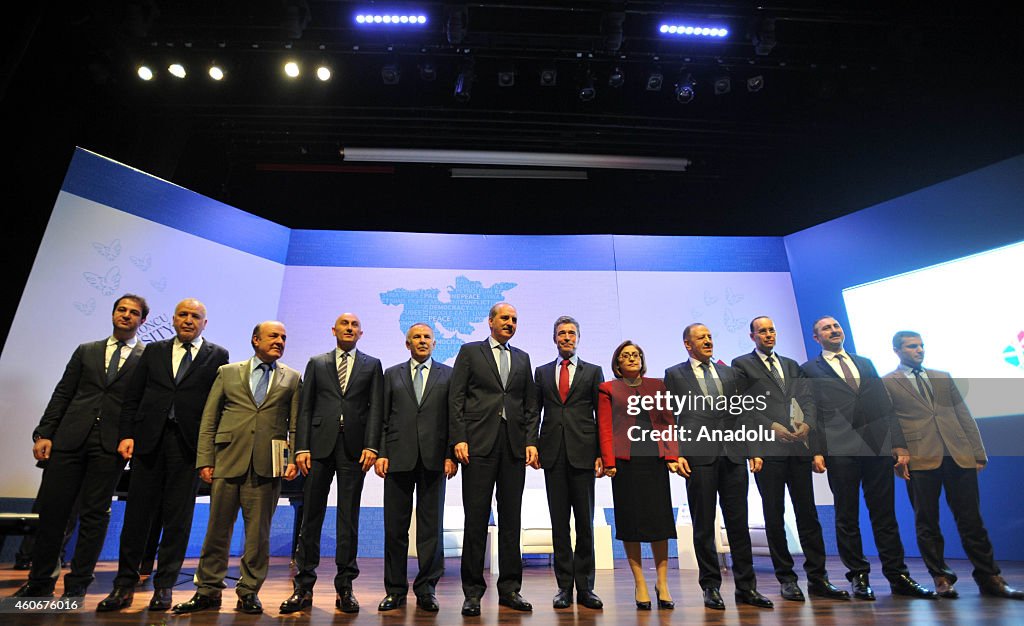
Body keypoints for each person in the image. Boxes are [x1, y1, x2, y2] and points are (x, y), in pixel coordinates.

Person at [96, 298, 229, 612]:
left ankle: (165, 586)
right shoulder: (153, 351)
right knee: (137, 517)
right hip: (148, 443)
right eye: (183, 314)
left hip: (187, 447)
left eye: (195, 316)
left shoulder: (218, 355)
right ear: (173, 319)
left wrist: (209, 451)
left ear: (204, 323)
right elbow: (133, 396)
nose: (188, 320)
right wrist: (127, 434)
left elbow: (217, 406)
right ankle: (123, 585)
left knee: (177, 521)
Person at [13, 294, 148, 599]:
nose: (126, 315)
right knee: (53, 512)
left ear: (143, 320)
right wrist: (45, 432)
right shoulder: (86, 350)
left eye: (133, 312)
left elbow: (142, 405)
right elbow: (63, 392)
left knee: (94, 515)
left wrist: (133, 438)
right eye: (121, 310)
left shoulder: (147, 357)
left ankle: (77, 585)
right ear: (113, 313)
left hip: (110, 446)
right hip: (69, 439)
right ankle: (40, 582)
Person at [801, 316, 936, 600]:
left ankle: (898, 576)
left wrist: (898, 444)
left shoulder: (865, 362)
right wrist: (816, 450)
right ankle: (859, 577)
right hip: (840, 451)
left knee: (885, 515)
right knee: (847, 516)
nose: (834, 330)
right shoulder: (808, 370)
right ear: (816, 338)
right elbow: (810, 413)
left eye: (836, 326)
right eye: (826, 328)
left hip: (876, 449)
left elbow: (885, 407)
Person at [884, 330, 1023, 600]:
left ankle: (990, 578)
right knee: (927, 522)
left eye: (922, 345)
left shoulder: (942, 376)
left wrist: (977, 452)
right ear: (898, 351)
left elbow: (964, 415)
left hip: (957, 455)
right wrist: (898, 453)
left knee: (972, 520)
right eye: (912, 347)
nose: (919, 350)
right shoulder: (887, 382)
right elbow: (889, 421)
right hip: (920, 458)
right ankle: (942, 578)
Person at [173, 321, 300, 615]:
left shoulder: (292, 378)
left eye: (283, 337)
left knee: (258, 536)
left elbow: (295, 424)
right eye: (274, 336)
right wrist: (205, 459)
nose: (280, 341)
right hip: (227, 460)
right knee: (217, 530)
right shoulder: (228, 373)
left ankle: (249, 591)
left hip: (267, 466)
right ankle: (207, 590)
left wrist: (292, 459)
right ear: (255, 340)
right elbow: (209, 418)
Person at [731, 316, 849, 601]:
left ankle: (818, 578)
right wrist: (772, 427)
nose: (769, 334)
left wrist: (807, 424)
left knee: (807, 514)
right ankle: (786, 578)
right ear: (752, 337)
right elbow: (744, 406)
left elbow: (807, 399)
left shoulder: (791, 365)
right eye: (762, 331)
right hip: (768, 451)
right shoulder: (741, 365)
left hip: (798, 448)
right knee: (774, 515)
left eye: (772, 330)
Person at [665, 323, 773, 611]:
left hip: (734, 454)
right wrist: (676, 453)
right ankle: (710, 587)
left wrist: (753, 448)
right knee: (703, 526)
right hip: (698, 456)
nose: (708, 341)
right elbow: (668, 417)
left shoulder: (730, 373)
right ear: (688, 344)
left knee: (738, 524)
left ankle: (747, 587)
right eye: (701, 338)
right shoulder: (674, 374)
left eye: (710, 336)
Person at [283, 313, 383, 614]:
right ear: (334, 330)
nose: (349, 329)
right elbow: (304, 407)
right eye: (344, 325)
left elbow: (376, 408)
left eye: (354, 326)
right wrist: (300, 447)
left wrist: (371, 445)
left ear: (361, 333)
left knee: (348, 518)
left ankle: (345, 587)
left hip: (354, 449)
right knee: (310, 517)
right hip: (317, 448)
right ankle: (302, 587)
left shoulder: (372, 364)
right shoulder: (317, 362)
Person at [448, 302, 539, 616]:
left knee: (511, 520)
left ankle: (510, 590)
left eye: (515, 319)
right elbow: (456, 398)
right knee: (475, 520)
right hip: (477, 445)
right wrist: (458, 438)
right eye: (505, 318)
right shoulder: (471, 352)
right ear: (490, 322)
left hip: (513, 447)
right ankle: (472, 592)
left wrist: (531, 442)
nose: (511, 322)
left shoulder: (523, 358)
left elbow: (530, 405)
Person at [373, 323, 458, 612]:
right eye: (416, 338)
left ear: (435, 344)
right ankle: (395, 590)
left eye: (427, 338)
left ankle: (427, 589)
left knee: (430, 528)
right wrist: (381, 453)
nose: (422, 341)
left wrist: (450, 455)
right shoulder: (391, 373)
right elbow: (382, 417)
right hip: (397, 458)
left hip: (435, 459)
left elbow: (453, 419)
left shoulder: (448, 374)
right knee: (395, 528)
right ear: (407, 344)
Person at [598, 340, 678, 611]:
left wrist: (672, 456)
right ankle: (641, 583)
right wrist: (608, 461)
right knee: (630, 524)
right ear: (617, 363)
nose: (632, 358)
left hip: (655, 462)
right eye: (625, 355)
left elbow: (667, 422)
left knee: (660, 523)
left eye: (636, 354)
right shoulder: (608, 388)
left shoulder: (658, 386)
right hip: (624, 464)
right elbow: (606, 428)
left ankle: (662, 583)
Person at [535, 316, 605, 610]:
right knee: (559, 524)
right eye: (562, 333)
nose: (567, 337)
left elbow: (601, 415)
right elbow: (533, 412)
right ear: (555, 339)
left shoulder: (593, 371)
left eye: (571, 333)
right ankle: (564, 586)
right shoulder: (541, 372)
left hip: (584, 454)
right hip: (552, 454)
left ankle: (585, 587)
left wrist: (603, 453)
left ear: (578, 337)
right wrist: (533, 446)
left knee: (585, 524)